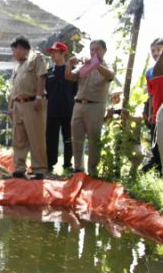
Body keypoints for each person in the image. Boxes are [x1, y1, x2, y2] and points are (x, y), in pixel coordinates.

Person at [66, 39, 114, 176]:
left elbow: (110, 75)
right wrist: (69, 64)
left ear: (104, 51)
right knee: (77, 138)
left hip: (96, 107)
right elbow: (69, 77)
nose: (93, 52)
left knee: (94, 139)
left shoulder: (107, 66)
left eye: (97, 49)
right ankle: (78, 170)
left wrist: (94, 64)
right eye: (91, 49)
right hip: (79, 105)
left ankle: (92, 171)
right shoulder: (84, 66)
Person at [8, 36, 48, 179]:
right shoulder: (18, 66)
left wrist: (38, 97)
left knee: (36, 136)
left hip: (33, 103)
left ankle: (39, 169)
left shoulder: (35, 58)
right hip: (18, 104)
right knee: (18, 138)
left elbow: (41, 77)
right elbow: (14, 89)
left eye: (14, 50)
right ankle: (19, 167)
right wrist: (11, 107)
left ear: (20, 48)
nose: (13, 54)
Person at [45, 41, 78, 173]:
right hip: (52, 110)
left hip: (68, 110)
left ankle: (68, 164)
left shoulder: (72, 71)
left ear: (64, 53)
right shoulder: (48, 73)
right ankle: (49, 163)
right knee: (51, 138)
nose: (52, 55)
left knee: (68, 137)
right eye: (51, 52)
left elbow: (75, 90)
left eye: (55, 52)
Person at [143, 38, 163, 173]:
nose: (155, 53)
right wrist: (150, 113)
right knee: (156, 146)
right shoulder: (150, 72)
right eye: (153, 51)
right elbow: (151, 95)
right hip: (156, 114)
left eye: (158, 50)